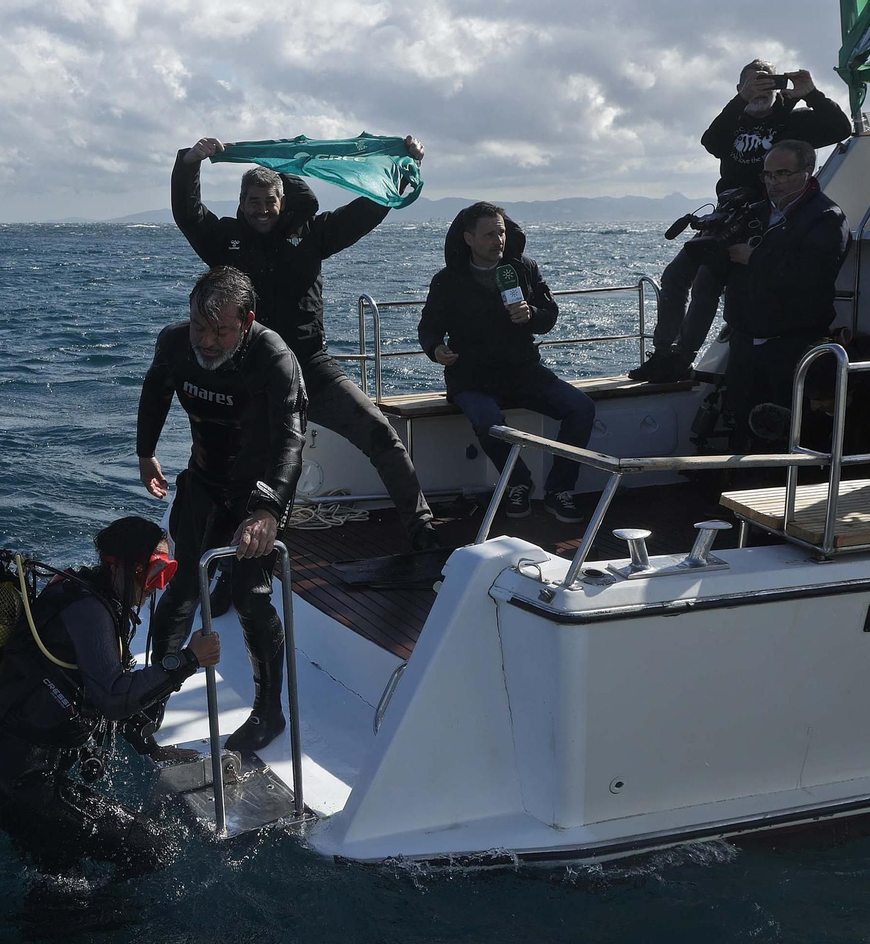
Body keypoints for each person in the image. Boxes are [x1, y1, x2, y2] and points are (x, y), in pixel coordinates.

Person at [172, 135, 439, 560]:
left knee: (381, 435)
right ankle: (232, 559)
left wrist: (401, 166)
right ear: (241, 203)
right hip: (250, 377)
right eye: (253, 201)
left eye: (270, 201)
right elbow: (188, 214)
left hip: (311, 367)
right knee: (240, 470)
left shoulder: (313, 234)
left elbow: (366, 210)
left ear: (283, 200)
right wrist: (189, 164)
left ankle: (422, 525)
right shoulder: (224, 241)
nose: (262, 210)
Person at [0, 516, 222, 875]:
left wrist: (150, 748)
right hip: (22, 788)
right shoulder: (89, 610)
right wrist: (189, 659)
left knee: (60, 866)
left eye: (165, 575)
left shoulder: (85, 595)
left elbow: (99, 695)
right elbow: (113, 698)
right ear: (121, 566)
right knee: (154, 847)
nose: (156, 587)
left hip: (1, 775)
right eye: (152, 573)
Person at [137, 266, 306, 753]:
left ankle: (269, 713)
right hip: (205, 483)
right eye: (199, 327)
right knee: (181, 592)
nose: (207, 341)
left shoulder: (274, 358)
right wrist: (145, 451)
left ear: (247, 321)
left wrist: (269, 509)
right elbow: (156, 390)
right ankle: (152, 701)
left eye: (221, 330)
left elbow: (290, 441)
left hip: (258, 492)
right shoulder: (173, 344)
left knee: (251, 597)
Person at [631, 62, 851, 383]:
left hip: (760, 221)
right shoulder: (735, 121)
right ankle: (663, 352)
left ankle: (682, 358)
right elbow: (710, 142)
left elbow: (839, 129)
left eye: (767, 84)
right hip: (725, 215)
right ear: (739, 89)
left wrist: (813, 95)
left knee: (707, 283)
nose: (760, 91)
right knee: (676, 276)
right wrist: (740, 103)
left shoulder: (792, 121)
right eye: (752, 84)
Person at [418, 202, 596, 523]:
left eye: (501, 232)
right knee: (489, 423)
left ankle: (559, 490)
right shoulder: (448, 279)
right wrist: (436, 349)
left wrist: (532, 315)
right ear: (469, 239)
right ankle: (517, 482)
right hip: (471, 377)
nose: (498, 240)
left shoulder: (524, 268)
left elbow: (548, 316)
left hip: (522, 370)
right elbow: (428, 327)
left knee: (581, 408)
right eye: (489, 235)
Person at [722, 140, 850, 452]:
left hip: (792, 345)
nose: (772, 183)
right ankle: (737, 492)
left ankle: (788, 493)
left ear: (808, 171)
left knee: (790, 433)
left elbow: (810, 276)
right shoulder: (752, 212)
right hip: (745, 341)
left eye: (782, 174)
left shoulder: (827, 217)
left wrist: (753, 258)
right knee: (741, 422)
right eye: (767, 175)